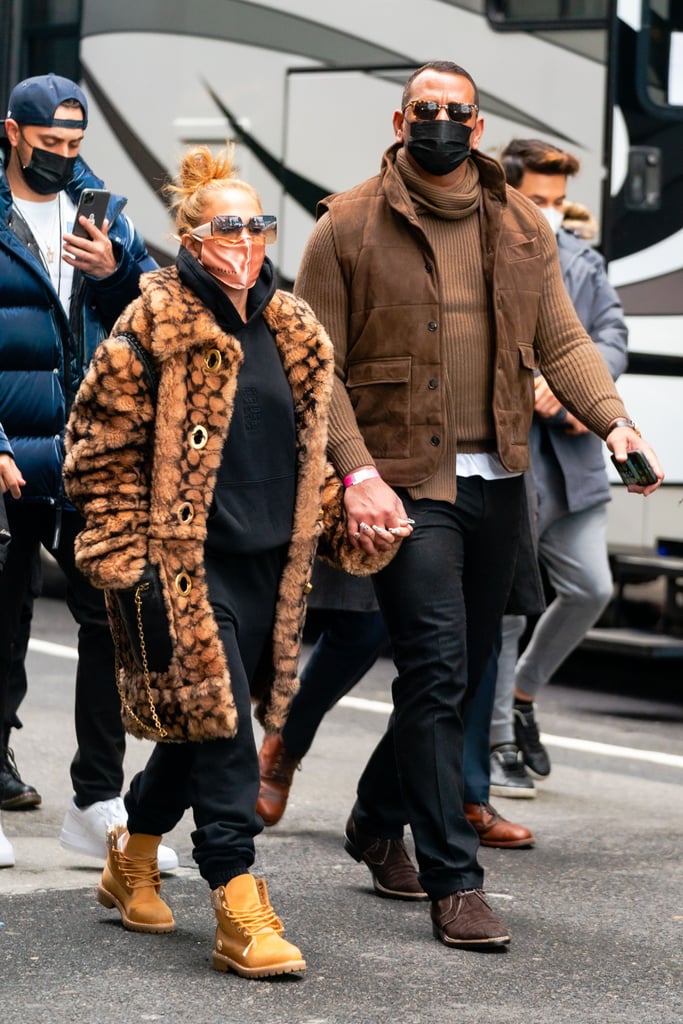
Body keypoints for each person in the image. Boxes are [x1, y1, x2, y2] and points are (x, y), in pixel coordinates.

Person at [294, 60, 663, 951]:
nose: (442, 123)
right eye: (427, 110)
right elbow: (316, 368)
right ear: (400, 117)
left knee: (456, 675)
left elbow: (559, 338)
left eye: (457, 112)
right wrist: (355, 472)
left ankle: (377, 819)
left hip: (499, 477)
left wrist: (613, 424)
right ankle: (454, 879)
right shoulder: (345, 224)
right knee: (431, 666)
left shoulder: (519, 222)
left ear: (477, 124)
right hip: (402, 482)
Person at [64, 143, 397, 978]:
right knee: (225, 743)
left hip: (272, 567)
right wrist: (122, 558)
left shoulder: (292, 326)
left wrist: (348, 516)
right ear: (189, 235)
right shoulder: (151, 325)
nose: (246, 240)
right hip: (180, 567)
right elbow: (94, 457)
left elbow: (312, 449)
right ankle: (238, 901)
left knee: (205, 727)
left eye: (257, 224)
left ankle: (132, 856)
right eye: (226, 227)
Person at [0, 72, 177, 868]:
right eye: (49, 145)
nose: (63, 158)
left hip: (91, 455)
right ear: (13, 132)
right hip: (8, 453)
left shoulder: (101, 210)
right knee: (2, 626)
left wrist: (110, 271)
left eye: (75, 146)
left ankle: (96, 798)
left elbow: (149, 315)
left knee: (108, 621)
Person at [489, 139, 629, 797]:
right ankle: (495, 746)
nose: (546, 213)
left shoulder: (581, 260)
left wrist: (580, 393)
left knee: (590, 587)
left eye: (554, 201)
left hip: (570, 459)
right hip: (507, 459)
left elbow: (609, 337)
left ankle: (521, 694)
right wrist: (534, 385)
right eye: (534, 200)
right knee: (509, 610)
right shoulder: (480, 251)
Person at [257, 557, 537, 852]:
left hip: (475, 512)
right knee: (367, 623)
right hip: (390, 514)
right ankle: (288, 738)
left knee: (477, 624)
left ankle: (467, 794)